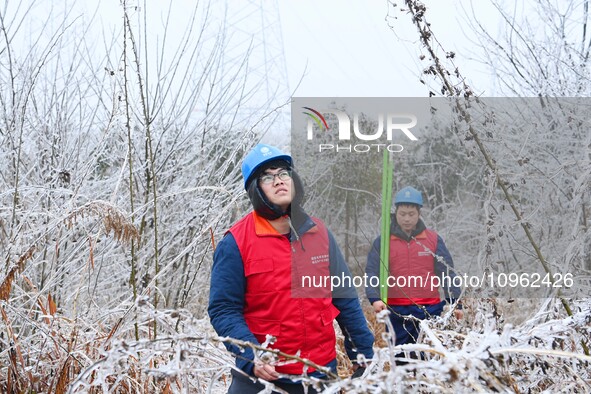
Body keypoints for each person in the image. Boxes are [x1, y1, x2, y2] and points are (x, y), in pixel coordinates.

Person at [208, 144, 374, 393]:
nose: (278, 181)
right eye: (267, 176)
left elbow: (345, 297)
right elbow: (223, 309)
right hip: (262, 380)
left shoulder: (320, 234)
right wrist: (250, 354)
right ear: (255, 189)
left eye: (283, 173)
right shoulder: (235, 243)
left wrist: (364, 354)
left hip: (319, 374)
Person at [365, 186, 463, 348]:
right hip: (396, 311)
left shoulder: (433, 239)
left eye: (411, 214)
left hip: (429, 309)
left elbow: (447, 273)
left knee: (429, 355)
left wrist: (455, 304)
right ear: (396, 213)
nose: (407, 219)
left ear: (419, 214)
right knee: (401, 356)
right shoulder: (383, 242)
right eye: (402, 214)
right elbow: (372, 272)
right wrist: (375, 298)